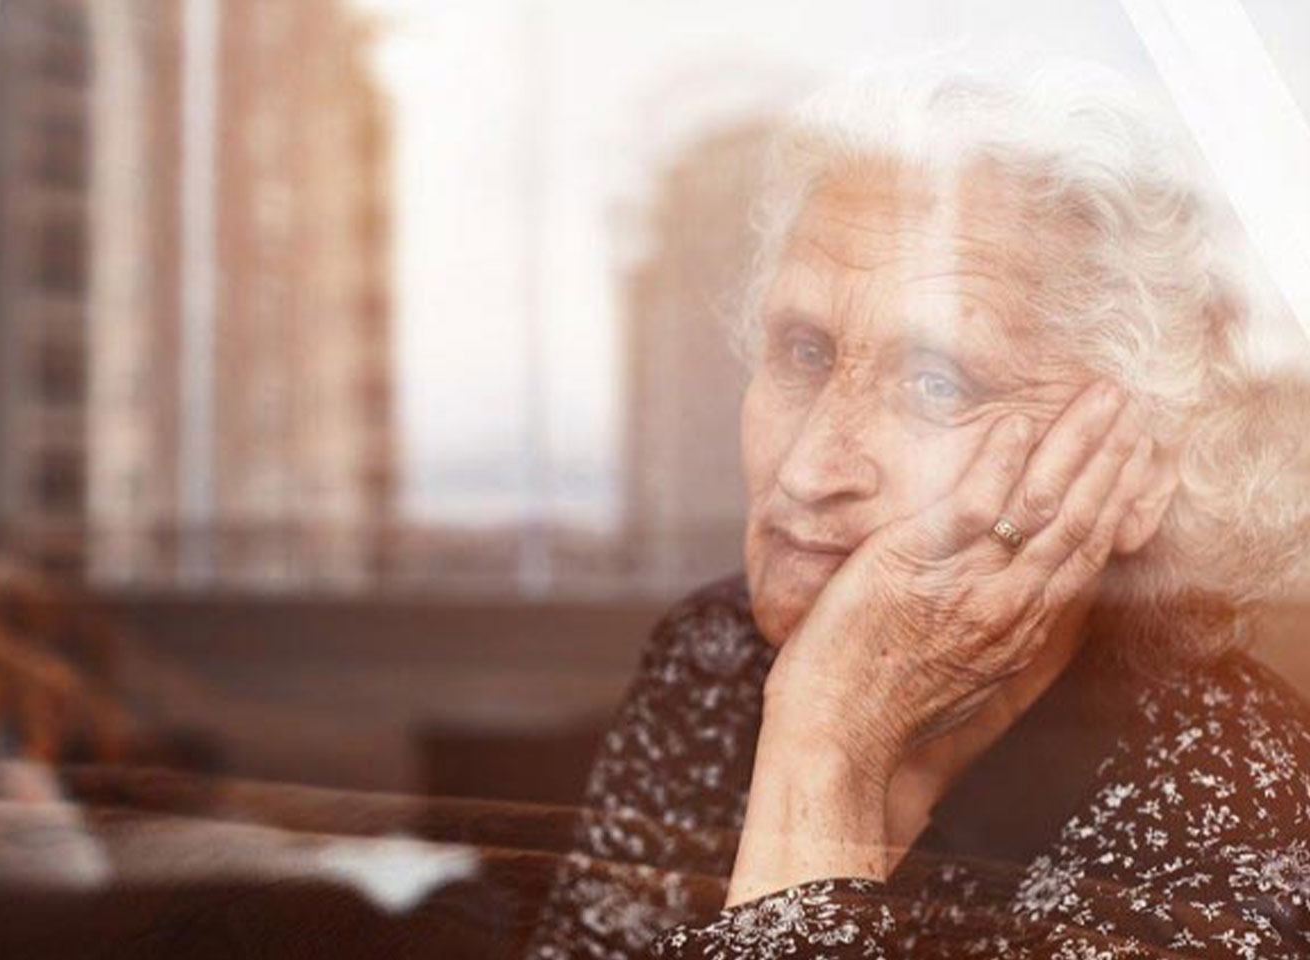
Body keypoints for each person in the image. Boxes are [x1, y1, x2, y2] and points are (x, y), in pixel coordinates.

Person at [525, 57, 1310, 959]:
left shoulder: (1239, 821)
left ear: (1139, 468)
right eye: (804, 352)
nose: (811, 469)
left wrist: (825, 749)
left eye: (937, 381)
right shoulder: (710, 664)